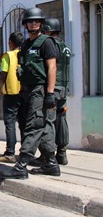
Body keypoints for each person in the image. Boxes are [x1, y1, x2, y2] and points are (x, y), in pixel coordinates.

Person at [0, 7, 60, 180]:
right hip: (26, 90)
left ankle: (21, 164)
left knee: (33, 125)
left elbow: (52, 67)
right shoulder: (25, 44)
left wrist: (49, 93)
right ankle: (50, 163)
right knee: (44, 125)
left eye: (37, 21)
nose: (33, 24)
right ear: (25, 25)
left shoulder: (46, 42)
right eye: (30, 21)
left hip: (40, 89)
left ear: (41, 23)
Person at [42, 18, 71, 165]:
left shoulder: (51, 45)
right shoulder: (64, 46)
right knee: (61, 119)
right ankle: (62, 153)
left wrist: (49, 91)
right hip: (64, 88)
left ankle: (48, 156)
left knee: (49, 120)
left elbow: (51, 67)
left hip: (53, 88)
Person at [0, 32, 24, 163]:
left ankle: (10, 153)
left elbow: (3, 74)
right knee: (24, 123)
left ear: (11, 42)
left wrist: (2, 85)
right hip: (24, 92)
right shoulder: (25, 54)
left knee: (10, 123)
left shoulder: (8, 56)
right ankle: (25, 152)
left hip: (11, 93)